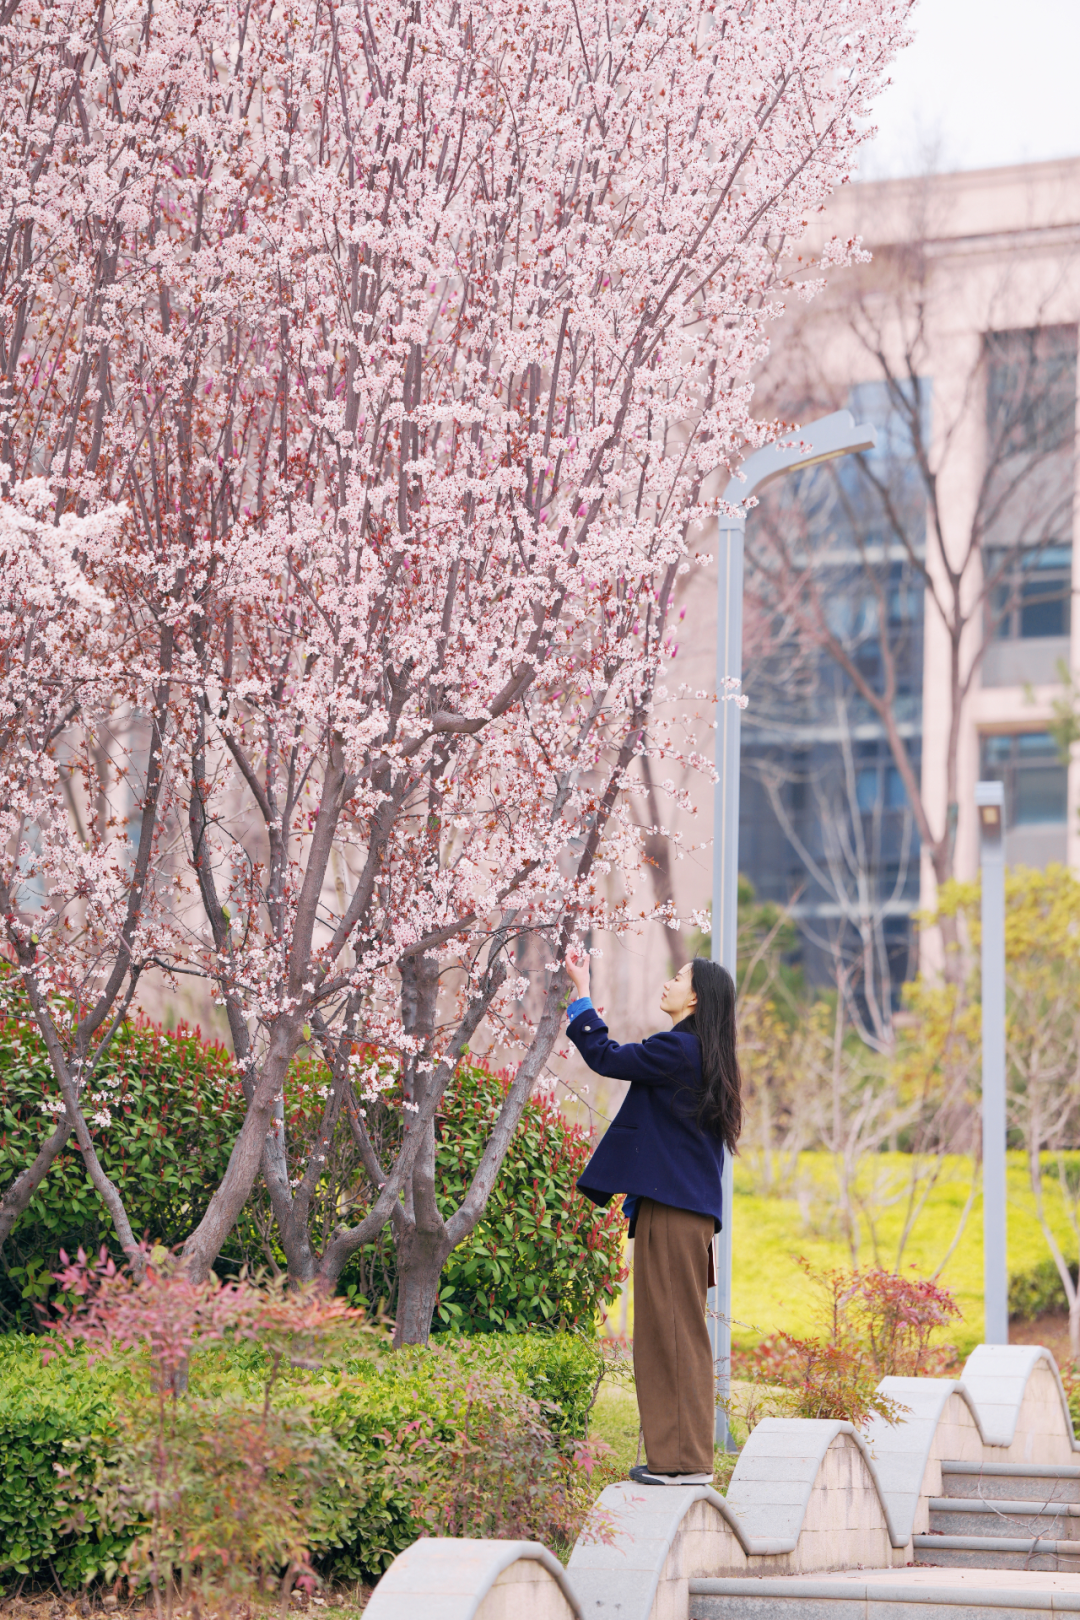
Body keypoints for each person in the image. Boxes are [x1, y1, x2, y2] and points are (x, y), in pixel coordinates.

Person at [563, 949, 742, 1486]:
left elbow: (608, 1058)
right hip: (683, 1213)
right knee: (673, 1332)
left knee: (670, 1332)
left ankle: (684, 1462)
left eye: (679, 979)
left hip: (674, 1212)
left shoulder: (679, 1050)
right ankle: (678, 1458)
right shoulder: (702, 1054)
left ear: (696, 998)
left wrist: (581, 996)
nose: (668, 983)